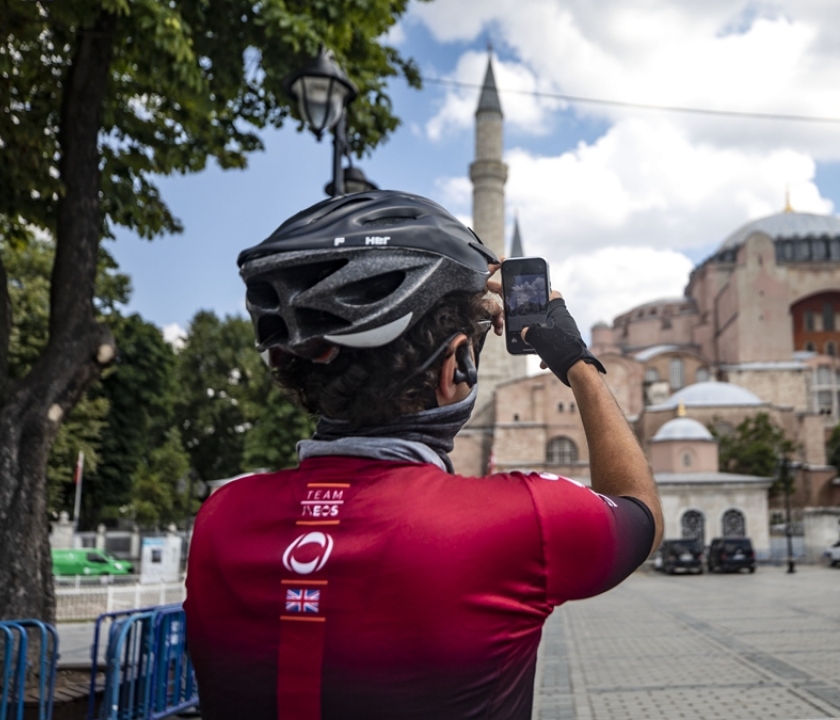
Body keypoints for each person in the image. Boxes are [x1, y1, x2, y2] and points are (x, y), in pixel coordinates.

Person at [184, 190, 663, 720]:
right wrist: (577, 362)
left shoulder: (221, 518)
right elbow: (638, 510)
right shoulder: (520, 522)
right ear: (457, 367)